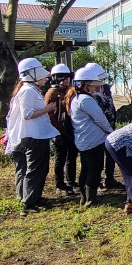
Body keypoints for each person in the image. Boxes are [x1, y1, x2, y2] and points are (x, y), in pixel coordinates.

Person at [4, 58, 60, 214]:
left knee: (31, 169)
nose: (45, 78)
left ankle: (31, 197)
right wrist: (47, 109)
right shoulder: (28, 91)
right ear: (32, 74)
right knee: (35, 169)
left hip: (32, 135)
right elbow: (27, 114)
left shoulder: (29, 89)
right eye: (42, 76)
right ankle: (29, 203)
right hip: (33, 136)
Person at [69, 64, 113, 206]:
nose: (96, 88)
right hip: (93, 140)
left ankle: (84, 198)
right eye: (93, 85)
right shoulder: (86, 100)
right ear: (86, 85)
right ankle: (91, 200)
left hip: (83, 140)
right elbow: (100, 118)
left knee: (86, 169)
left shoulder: (76, 98)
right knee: (94, 170)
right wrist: (111, 132)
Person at [44, 63, 78, 195]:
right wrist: (54, 133)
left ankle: (71, 181)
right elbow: (49, 115)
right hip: (57, 130)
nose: (67, 80)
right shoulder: (52, 93)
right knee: (60, 158)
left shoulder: (67, 92)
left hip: (68, 128)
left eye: (68, 78)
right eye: (64, 78)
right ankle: (59, 184)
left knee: (72, 155)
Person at [92, 73, 121, 190]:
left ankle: (110, 179)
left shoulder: (106, 89)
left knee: (111, 154)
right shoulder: (90, 93)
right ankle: (97, 180)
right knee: (98, 157)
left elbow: (111, 106)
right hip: (98, 129)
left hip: (110, 127)